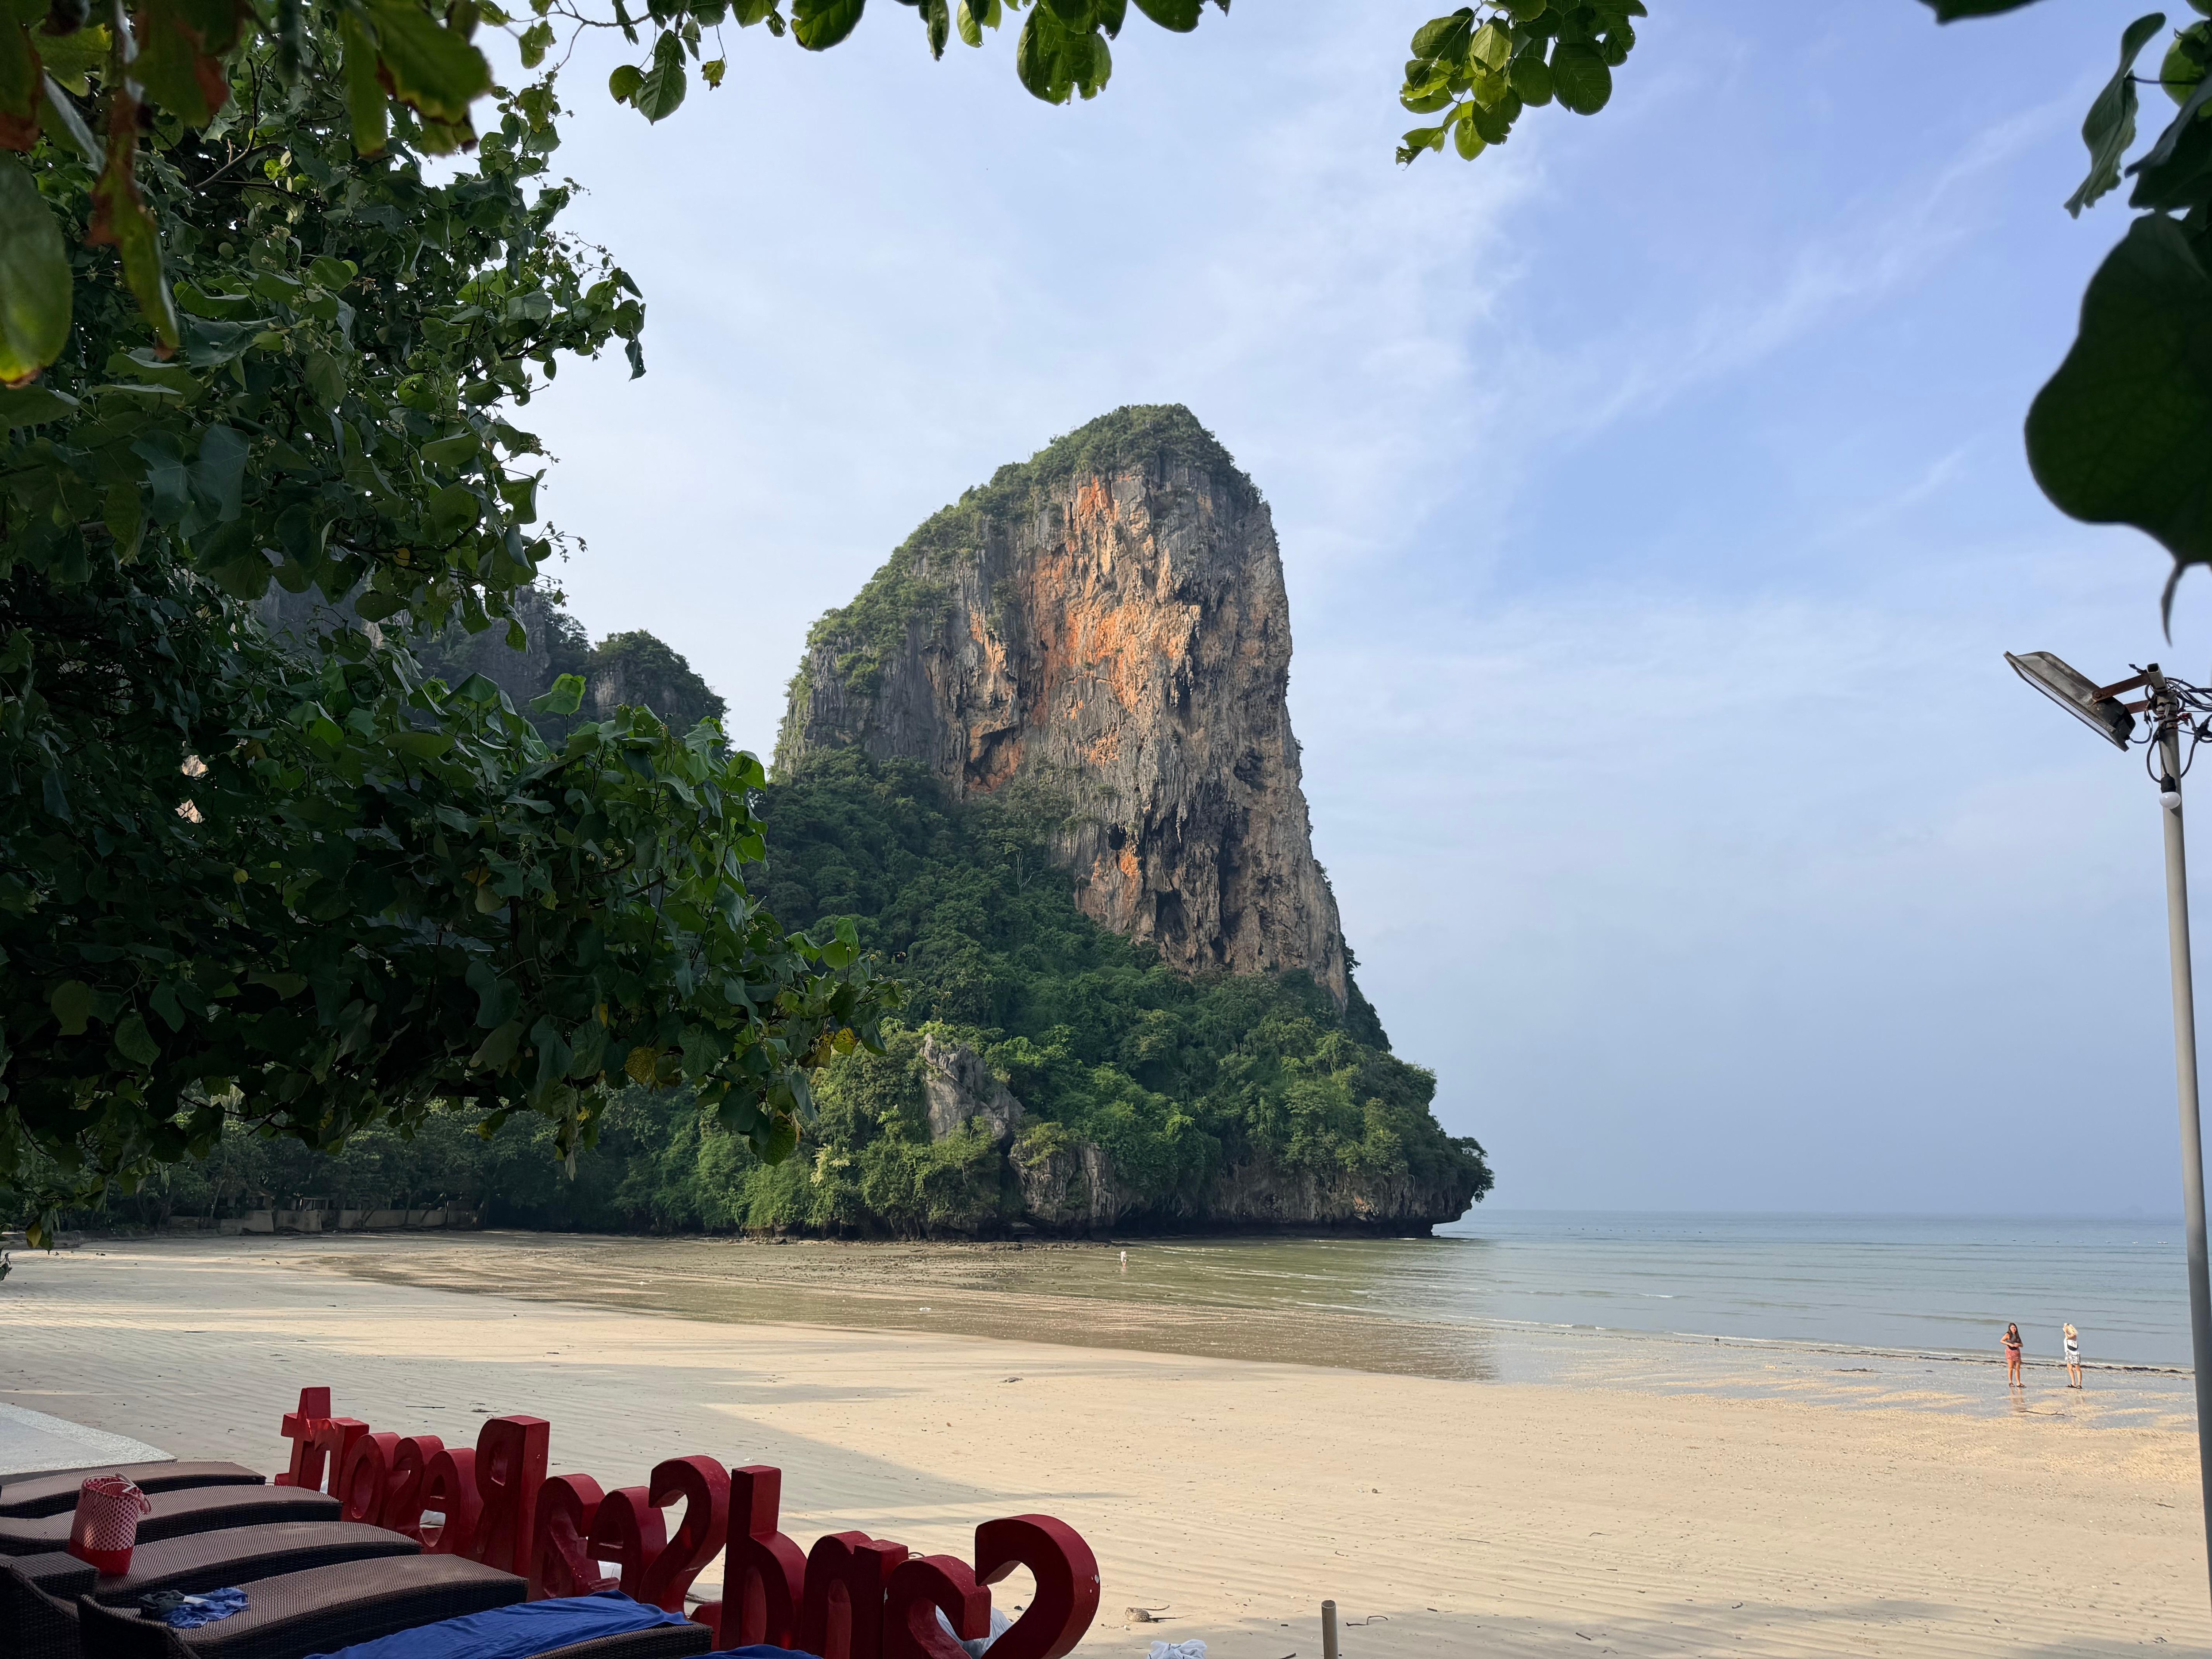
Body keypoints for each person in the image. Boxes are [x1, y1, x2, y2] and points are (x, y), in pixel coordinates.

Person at [2003, 1322, 2024, 1387]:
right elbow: (2002, 1341)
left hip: (2017, 1352)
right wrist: (2009, 1344)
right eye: (2012, 1328)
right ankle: (2011, 1382)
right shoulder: (2008, 1335)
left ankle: (2018, 1382)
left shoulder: (2017, 1335)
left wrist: (2018, 1345)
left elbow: (2022, 1345)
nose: (2014, 1329)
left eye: (2015, 1327)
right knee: (2011, 1367)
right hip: (2010, 1352)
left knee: (2018, 1368)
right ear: (2010, 1328)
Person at [2064, 1323, 2083, 1389]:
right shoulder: (2068, 1335)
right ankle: (2073, 1383)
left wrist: (2066, 1332)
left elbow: (2068, 1338)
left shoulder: (2074, 1335)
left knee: (2077, 1368)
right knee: (2069, 1368)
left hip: (2075, 1353)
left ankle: (2079, 1384)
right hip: (2069, 1353)